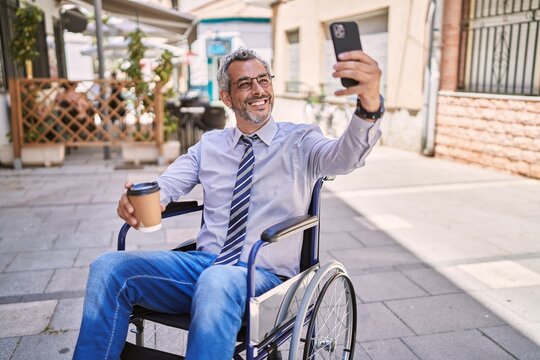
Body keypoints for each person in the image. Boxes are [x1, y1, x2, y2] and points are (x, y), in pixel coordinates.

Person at [73, 47, 383, 360]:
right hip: (203, 266)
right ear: (226, 96)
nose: (259, 90)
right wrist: (137, 199)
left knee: (217, 280)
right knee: (109, 267)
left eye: (264, 80)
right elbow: (166, 185)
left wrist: (368, 106)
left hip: (264, 276)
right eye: (246, 84)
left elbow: (345, 158)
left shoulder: (301, 141)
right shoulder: (210, 145)